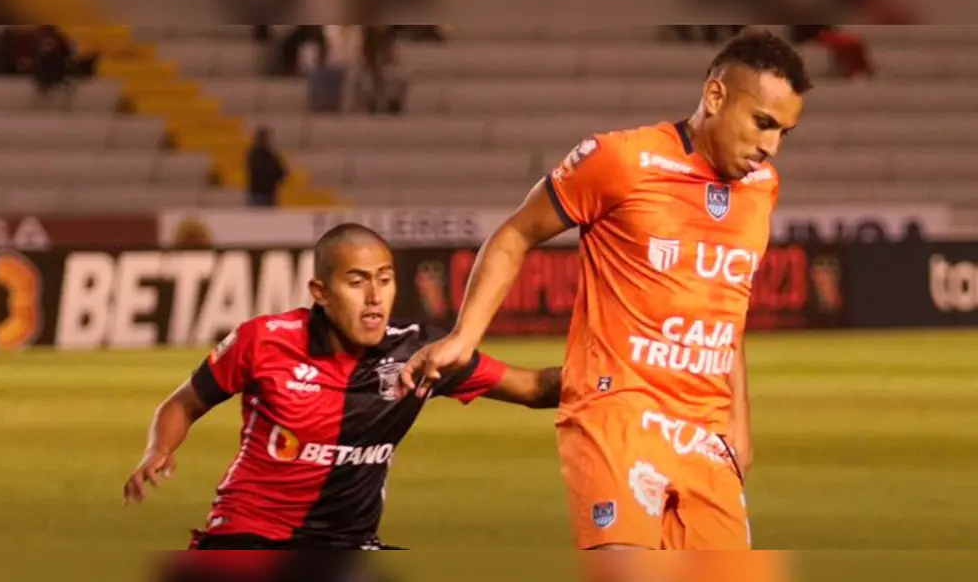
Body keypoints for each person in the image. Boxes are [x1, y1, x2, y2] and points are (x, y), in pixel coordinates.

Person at [400, 28, 811, 559]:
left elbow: (725, 304)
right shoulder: (621, 160)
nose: (771, 146)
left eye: (784, 133)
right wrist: (464, 335)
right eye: (763, 123)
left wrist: (740, 422)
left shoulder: (762, 188)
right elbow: (516, 233)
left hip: (706, 436)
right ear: (715, 96)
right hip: (618, 415)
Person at [123, 223, 562, 551]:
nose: (374, 296)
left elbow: (537, 389)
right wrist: (158, 449)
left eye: (384, 279)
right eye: (356, 281)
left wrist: (621, 370)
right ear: (321, 291)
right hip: (249, 536)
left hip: (348, 547)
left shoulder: (423, 354)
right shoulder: (264, 340)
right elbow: (186, 402)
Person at [245, 127, 287, 207]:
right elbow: (280, 171)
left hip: (265, 192)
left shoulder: (262, 155)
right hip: (262, 192)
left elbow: (281, 171)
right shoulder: (262, 155)